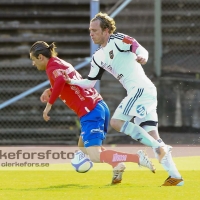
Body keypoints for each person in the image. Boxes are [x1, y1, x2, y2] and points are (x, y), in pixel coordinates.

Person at [62, 12, 184, 186]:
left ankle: (159, 147)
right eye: (90, 30)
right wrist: (71, 81)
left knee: (116, 122)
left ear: (106, 31)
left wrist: (143, 57)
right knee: (152, 135)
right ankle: (176, 177)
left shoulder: (117, 39)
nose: (91, 33)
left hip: (140, 89)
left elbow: (139, 48)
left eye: (94, 30)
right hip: (143, 92)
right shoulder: (97, 56)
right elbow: (90, 83)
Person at [29, 41, 156, 184]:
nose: (34, 64)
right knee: (83, 147)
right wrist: (51, 90)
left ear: (40, 57)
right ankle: (117, 165)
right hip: (97, 106)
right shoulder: (59, 63)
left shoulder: (51, 67)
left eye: (33, 60)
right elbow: (67, 83)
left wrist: (49, 105)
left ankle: (137, 158)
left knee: (95, 156)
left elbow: (59, 81)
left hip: (90, 111)